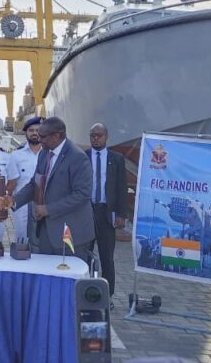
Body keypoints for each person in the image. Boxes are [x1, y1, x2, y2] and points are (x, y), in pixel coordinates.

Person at [12, 117, 96, 263]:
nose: (39, 139)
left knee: (68, 275)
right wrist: (12, 202)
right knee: (46, 272)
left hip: (71, 233)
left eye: (43, 136)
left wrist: (48, 209)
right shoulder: (44, 153)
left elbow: (82, 194)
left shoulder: (77, 158)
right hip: (47, 233)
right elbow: (34, 184)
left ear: (56, 136)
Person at [86, 123, 129, 298]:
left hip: (106, 213)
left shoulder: (116, 158)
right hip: (87, 212)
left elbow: (122, 187)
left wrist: (122, 214)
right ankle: (85, 291)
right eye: (93, 135)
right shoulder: (83, 157)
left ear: (106, 137)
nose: (96, 138)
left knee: (107, 257)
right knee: (85, 254)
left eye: (99, 135)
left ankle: (107, 296)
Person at [6, 116, 44, 243]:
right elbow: (12, 183)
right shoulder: (16, 156)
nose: (35, 133)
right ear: (26, 133)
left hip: (43, 204)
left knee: (43, 239)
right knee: (22, 240)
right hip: (22, 205)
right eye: (31, 130)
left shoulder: (49, 154)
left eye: (38, 130)